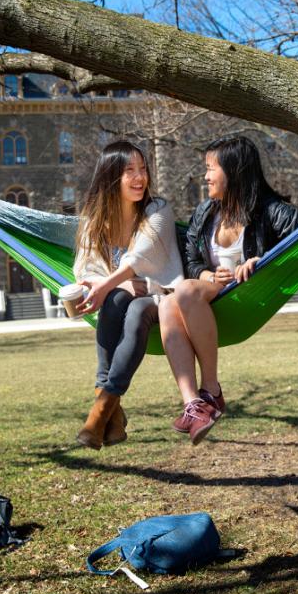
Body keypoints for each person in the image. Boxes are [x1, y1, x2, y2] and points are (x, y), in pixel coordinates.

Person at [159, 136, 298, 445]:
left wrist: (261, 262)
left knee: (182, 293)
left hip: (247, 297)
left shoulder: (272, 212)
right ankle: (194, 404)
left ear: (234, 171)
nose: (206, 176)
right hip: (210, 295)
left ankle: (211, 390)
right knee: (167, 304)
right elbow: (190, 257)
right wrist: (208, 273)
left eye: (211, 168)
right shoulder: (205, 212)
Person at [73, 141, 183, 450]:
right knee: (118, 300)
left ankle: (103, 408)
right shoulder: (92, 223)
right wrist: (117, 286)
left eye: (143, 169)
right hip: (118, 301)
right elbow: (85, 270)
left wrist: (111, 284)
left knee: (132, 308)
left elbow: (140, 259)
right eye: (129, 171)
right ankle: (113, 417)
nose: (140, 178)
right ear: (111, 177)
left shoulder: (157, 210)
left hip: (162, 293)